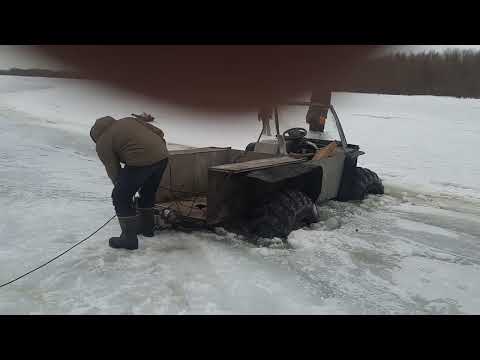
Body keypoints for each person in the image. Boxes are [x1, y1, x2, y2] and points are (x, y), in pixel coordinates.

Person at [90, 113, 169, 250]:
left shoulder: (102, 142)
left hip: (140, 160)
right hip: (162, 156)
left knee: (120, 197)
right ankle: (147, 229)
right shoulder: (129, 120)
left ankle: (129, 239)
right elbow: (159, 132)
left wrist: (123, 191)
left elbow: (113, 170)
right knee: (148, 193)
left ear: (96, 136)